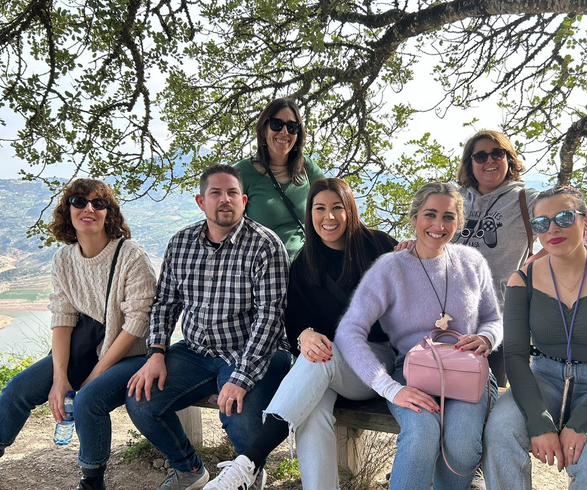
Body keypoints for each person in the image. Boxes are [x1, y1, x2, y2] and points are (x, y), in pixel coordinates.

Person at [0, 179, 157, 490]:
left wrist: (95, 375)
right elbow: (63, 318)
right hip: (86, 349)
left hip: (130, 353)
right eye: (79, 201)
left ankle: (92, 480)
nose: (89, 208)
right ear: (68, 210)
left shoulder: (131, 255)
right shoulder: (64, 258)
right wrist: (60, 377)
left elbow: (137, 323)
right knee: (17, 389)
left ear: (108, 213)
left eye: (98, 203)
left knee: (88, 397)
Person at [203, 178, 398, 490]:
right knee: (311, 413)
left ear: (350, 209)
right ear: (311, 215)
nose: (328, 216)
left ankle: (248, 462)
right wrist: (305, 335)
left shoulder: (379, 246)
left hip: (376, 362)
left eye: (337, 207)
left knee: (320, 361)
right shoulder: (305, 265)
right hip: (329, 367)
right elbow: (294, 323)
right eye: (320, 208)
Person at [125, 164, 292, 490]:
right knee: (142, 401)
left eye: (232, 193)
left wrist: (241, 379)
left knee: (241, 416)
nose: (225, 200)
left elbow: (270, 319)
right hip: (197, 351)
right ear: (201, 202)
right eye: (215, 193)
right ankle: (189, 469)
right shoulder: (181, 243)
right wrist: (156, 352)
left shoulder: (266, 246)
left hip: (254, 351)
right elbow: (165, 305)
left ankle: (249, 475)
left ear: (244, 201)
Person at [336, 181, 502, 490]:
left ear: (459, 222)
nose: (439, 225)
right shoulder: (390, 268)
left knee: (463, 446)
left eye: (449, 217)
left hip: (468, 372)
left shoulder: (472, 262)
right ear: (414, 219)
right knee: (422, 434)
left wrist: (487, 338)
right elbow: (349, 331)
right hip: (413, 375)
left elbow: (493, 319)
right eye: (430, 214)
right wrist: (388, 387)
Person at [482, 186, 587, 490]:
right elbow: (516, 356)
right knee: (500, 433)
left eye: (564, 217)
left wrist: (582, 423)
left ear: (586, 220)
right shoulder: (523, 279)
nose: (553, 229)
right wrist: (538, 419)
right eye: (541, 223)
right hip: (543, 377)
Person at [454, 129, 542, 387]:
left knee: (489, 397)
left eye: (497, 153)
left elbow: (580, 232)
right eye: (480, 156)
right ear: (470, 163)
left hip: (500, 319)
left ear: (509, 158)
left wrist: (542, 261)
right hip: (449, 316)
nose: (489, 161)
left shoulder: (526, 199)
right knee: (444, 393)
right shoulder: (455, 199)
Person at [234, 97, 324, 261]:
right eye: (277, 124)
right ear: (264, 129)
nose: (284, 132)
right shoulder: (242, 173)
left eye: (292, 127)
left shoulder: (307, 167)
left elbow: (333, 201)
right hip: (265, 267)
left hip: (306, 266)